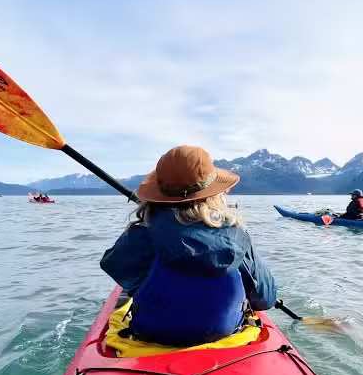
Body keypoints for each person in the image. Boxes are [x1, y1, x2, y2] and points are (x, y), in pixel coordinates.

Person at [100, 146, 276, 347]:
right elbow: (265, 299)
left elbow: (115, 267)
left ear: (158, 195)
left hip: (150, 334)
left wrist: (156, 220)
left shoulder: (141, 235)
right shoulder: (236, 236)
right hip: (225, 334)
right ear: (214, 195)